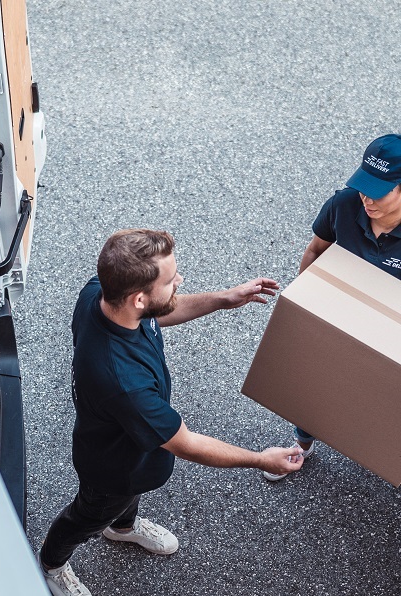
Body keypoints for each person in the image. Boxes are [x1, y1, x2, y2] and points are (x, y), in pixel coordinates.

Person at [38, 229, 304, 596]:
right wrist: (261, 460)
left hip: (134, 451)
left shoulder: (99, 295)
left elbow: (157, 312)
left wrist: (223, 299)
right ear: (138, 298)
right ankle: (51, 564)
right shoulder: (125, 384)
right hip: (112, 468)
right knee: (86, 516)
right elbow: (187, 443)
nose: (179, 280)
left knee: (129, 496)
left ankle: (122, 528)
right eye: (171, 279)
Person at [263, 133, 401, 481]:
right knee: (316, 382)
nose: (367, 198)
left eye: (380, 190)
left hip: (391, 328)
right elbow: (315, 250)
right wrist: (305, 304)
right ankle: (302, 443)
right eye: (363, 185)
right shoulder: (343, 205)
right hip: (341, 314)